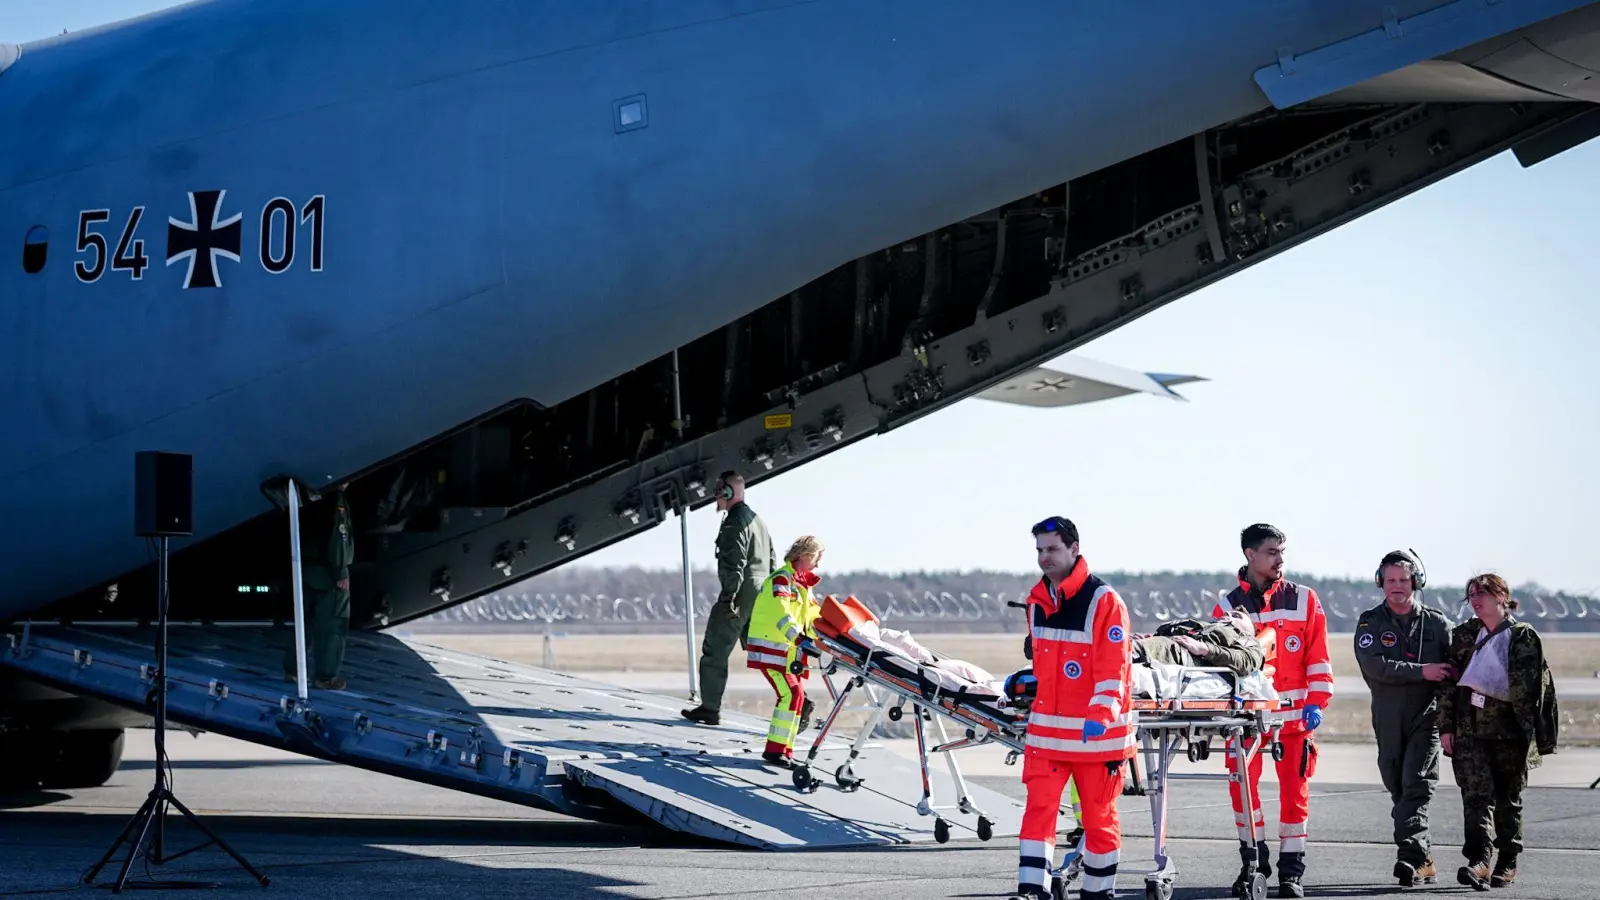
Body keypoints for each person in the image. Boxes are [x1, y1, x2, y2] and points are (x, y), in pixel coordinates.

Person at [1008, 516, 1135, 900]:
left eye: (1052, 549)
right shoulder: (1036, 601)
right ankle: (1032, 891)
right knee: (1038, 815)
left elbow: (1114, 669)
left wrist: (1100, 715)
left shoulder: (1104, 601)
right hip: (1047, 736)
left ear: (1074, 549)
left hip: (1097, 739)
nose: (1044, 558)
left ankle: (1098, 893)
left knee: (1099, 821)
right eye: (1040, 551)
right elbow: (1045, 668)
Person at [1212, 524, 1332, 899]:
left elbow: (1319, 661)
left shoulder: (1305, 600)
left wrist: (1316, 703)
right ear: (1250, 554)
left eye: (1282, 551)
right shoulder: (1228, 606)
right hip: (1246, 722)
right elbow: (1221, 667)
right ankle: (1254, 862)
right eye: (1271, 552)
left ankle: (1291, 873)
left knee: (1294, 794)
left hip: (1294, 720)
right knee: (1242, 793)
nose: (1280, 559)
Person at [1438, 573, 1560, 891]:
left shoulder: (1523, 636)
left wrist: (1531, 737)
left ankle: (1507, 861)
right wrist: (1447, 726)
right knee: (1475, 799)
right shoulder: (1464, 635)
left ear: (1502, 597)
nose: (1476, 600)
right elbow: (1449, 683)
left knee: (1508, 800)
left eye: (1483, 594)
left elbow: (1528, 689)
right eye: (1472, 595)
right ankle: (1479, 861)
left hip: (1510, 734)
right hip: (1470, 732)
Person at [1353, 549, 1455, 887]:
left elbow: (1454, 671)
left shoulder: (1438, 625)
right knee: (1397, 784)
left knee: (1417, 786)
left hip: (1426, 717)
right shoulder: (1370, 622)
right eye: (1391, 580)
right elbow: (1375, 666)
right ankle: (1423, 856)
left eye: (1403, 579)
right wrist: (1423, 671)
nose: (1397, 586)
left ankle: (1409, 858)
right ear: (1381, 582)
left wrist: (1450, 719)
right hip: (1387, 716)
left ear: (1416, 582)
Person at [682, 471, 776, 727]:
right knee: (764, 652)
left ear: (727, 492)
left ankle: (710, 708)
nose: (715, 495)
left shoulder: (736, 521)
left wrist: (729, 597)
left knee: (715, 648)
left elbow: (734, 562)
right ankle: (799, 701)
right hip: (760, 590)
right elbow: (771, 560)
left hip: (741, 591)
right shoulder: (758, 521)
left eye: (719, 490)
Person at [745, 536, 824, 766]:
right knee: (792, 695)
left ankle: (785, 751)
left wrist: (827, 637)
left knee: (797, 698)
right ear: (806, 555)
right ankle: (775, 751)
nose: (817, 565)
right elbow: (782, 614)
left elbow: (812, 618)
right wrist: (798, 638)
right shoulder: (782, 579)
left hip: (788, 653)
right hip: (772, 650)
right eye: (816, 558)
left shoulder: (803, 586)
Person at [281, 482, 354, 690]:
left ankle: (293, 670)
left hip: (307, 568)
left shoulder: (307, 495)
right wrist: (341, 570)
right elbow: (339, 537)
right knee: (333, 626)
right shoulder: (336, 502)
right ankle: (325, 676)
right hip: (328, 573)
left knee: (304, 623)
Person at [1135, 608, 1265, 677]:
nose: (1227, 615)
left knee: (1134, 649)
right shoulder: (1204, 626)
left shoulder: (1248, 640)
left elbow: (1245, 661)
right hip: (1170, 647)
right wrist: (1149, 638)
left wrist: (1204, 649)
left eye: (1236, 616)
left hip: (1185, 655)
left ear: (1248, 630)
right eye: (1227, 613)